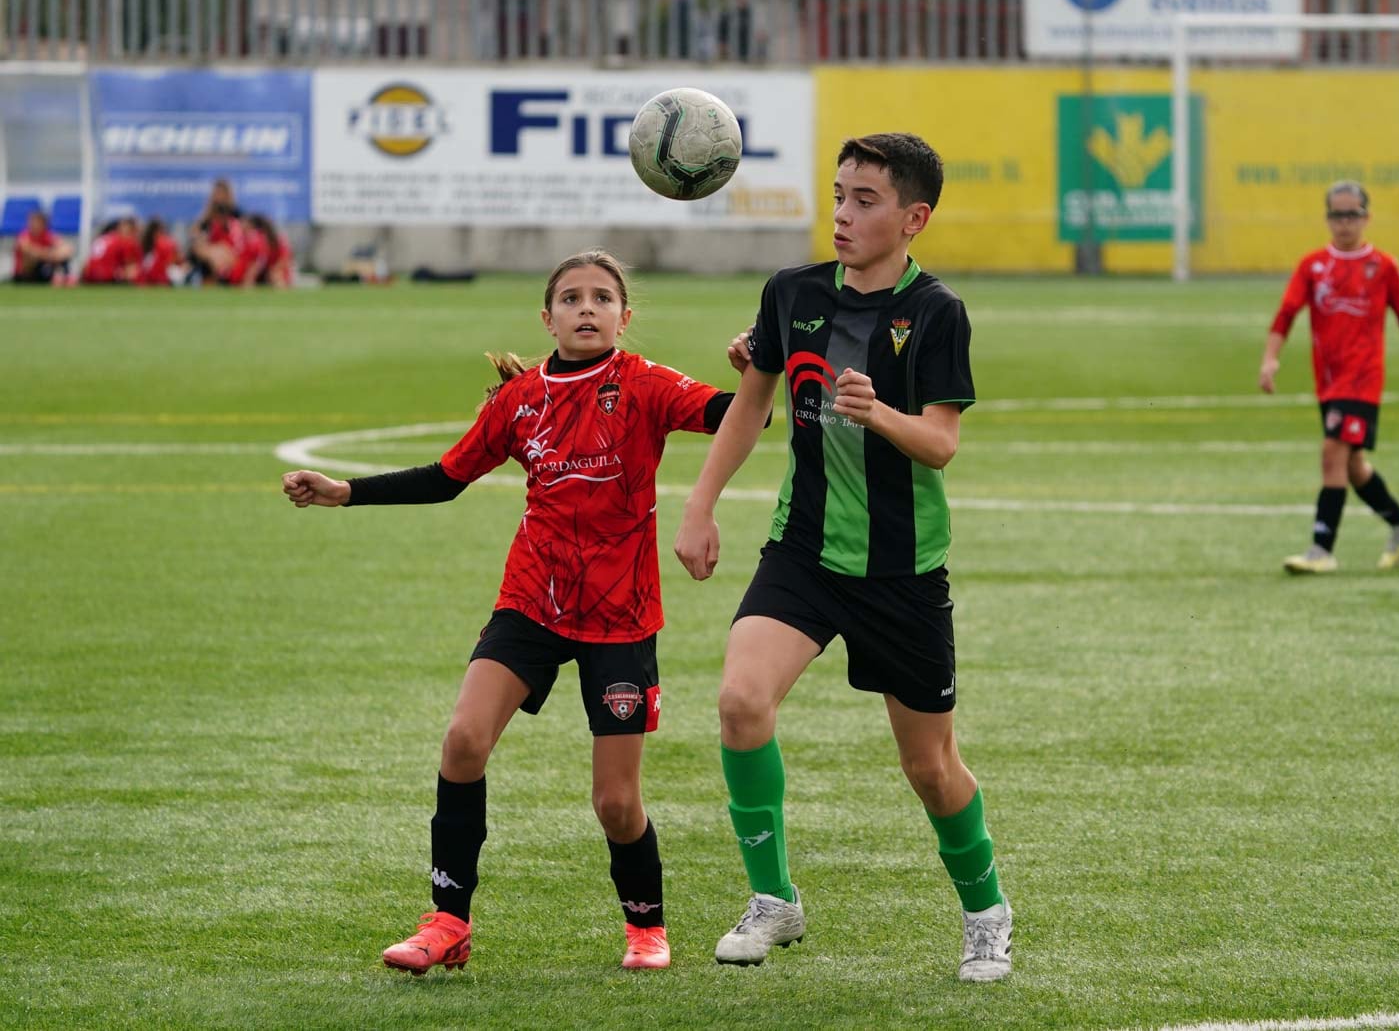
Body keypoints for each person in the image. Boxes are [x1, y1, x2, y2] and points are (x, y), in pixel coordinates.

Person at [281, 250, 742, 974]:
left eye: (601, 298)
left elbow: (738, 415)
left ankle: (646, 925)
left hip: (620, 613)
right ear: (547, 316)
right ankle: (447, 921)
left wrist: (760, 370)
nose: (586, 309)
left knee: (616, 802)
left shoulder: (646, 383)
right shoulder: (520, 398)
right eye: (570, 298)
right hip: (532, 600)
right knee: (463, 739)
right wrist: (346, 491)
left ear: (625, 315)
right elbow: (446, 476)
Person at [673, 133, 1013, 983]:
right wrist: (699, 505)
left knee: (929, 767)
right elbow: (751, 406)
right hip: (805, 552)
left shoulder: (936, 312)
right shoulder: (791, 294)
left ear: (913, 217)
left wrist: (877, 414)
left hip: (901, 569)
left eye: (865, 200)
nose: (844, 214)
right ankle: (774, 900)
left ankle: (986, 913)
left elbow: (939, 443)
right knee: (740, 699)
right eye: (838, 195)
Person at [1259, 180, 1399, 574]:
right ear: (1327, 218)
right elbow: (1286, 313)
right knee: (1353, 466)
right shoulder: (1312, 266)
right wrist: (1270, 359)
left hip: (1362, 380)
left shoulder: (1383, 266)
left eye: (1352, 214)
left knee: (1331, 454)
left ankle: (1321, 550)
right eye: (1337, 215)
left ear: (1366, 217)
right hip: (1328, 380)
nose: (1344, 223)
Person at [11, 209, 73, 285]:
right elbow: (30, 251)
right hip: (24, 274)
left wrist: (53, 254)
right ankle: (59, 279)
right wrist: (51, 254)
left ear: (44, 224)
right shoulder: (24, 235)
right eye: (31, 221)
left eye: (36, 222)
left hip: (43, 266)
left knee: (62, 260)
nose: (32, 224)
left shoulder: (48, 235)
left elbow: (67, 249)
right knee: (33, 259)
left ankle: (64, 278)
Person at [80, 217, 142, 285]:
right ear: (131, 229)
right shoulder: (125, 241)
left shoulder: (103, 237)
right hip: (107, 278)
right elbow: (130, 268)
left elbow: (86, 263)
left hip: (89, 276)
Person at [138, 218, 184, 287]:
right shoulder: (162, 243)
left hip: (157, 277)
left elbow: (175, 258)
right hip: (157, 277)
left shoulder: (164, 242)